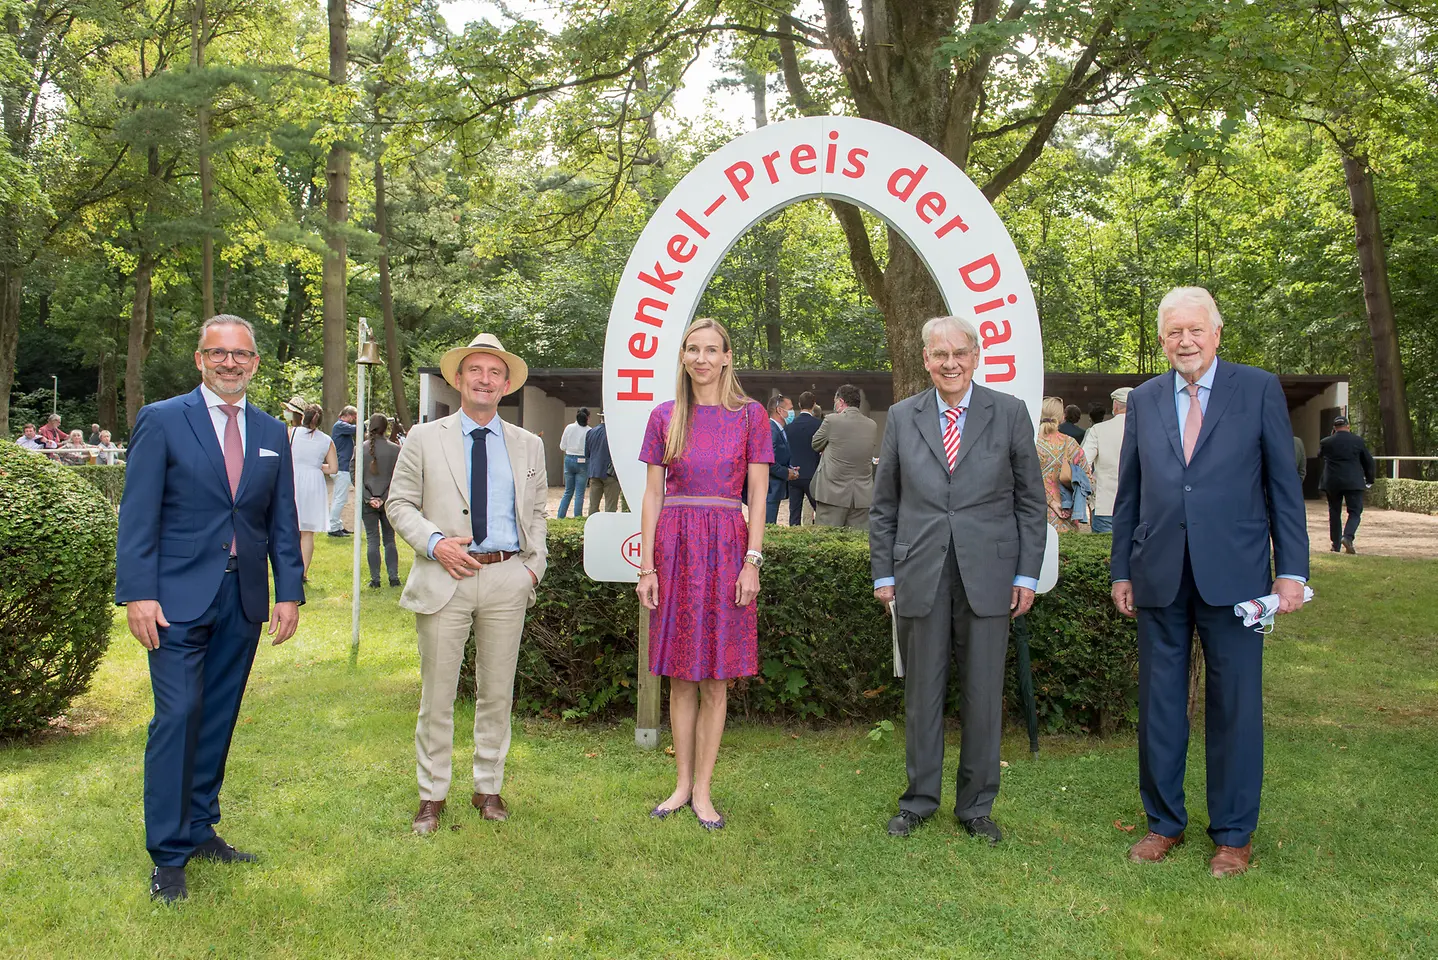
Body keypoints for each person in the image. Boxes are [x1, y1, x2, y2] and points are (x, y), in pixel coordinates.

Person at [1111, 286, 1308, 878]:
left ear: (1216, 334)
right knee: (1161, 705)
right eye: (1173, 332)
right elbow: (1130, 491)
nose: (1185, 341)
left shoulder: (1258, 388)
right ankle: (1163, 822)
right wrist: (1121, 568)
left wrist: (1291, 570)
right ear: (1162, 339)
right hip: (1159, 575)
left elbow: (1282, 487)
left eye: (1195, 330)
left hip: (1240, 578)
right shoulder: (1144, 399)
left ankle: (1233, 833)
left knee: (1236, 707)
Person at [115, 313, 302, 904]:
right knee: (178, 718)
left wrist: (288, 591)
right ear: (200, 359)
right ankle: (168, 855)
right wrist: (138, 593)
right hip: (173, 600)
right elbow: (138, 513)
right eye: (218, 353)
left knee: (217, 716)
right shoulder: (164, 420)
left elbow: (280, 519)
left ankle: (199, 828)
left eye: (240, 354)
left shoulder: (273, 432)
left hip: (241, 598)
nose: (230, 363)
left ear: (254, 363)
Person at [870, 315, 1046, 844]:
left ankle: (976, 808)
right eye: (939, 355)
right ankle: (919, 801)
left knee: (983, 694)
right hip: (919, 571)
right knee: (922, 693)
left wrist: (1026, 575)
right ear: (925, 359)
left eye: (960, 354)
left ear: (976, 356)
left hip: (989, 575)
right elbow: (883, 506)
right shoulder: (903, 416)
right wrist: (884, 573)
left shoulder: (1010, 413)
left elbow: (1030, 503)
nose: (950, 363)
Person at [386, 333, 548, 834]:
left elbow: (538, 514)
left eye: (494, 372)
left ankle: (488, 786)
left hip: (506, 577)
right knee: (437, 694)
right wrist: (435, 543)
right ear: (458, 379)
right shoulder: (423, 437)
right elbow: (399, 504)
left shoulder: (529, 445)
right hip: (444, 576)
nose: (484, 379)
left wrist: (530, 570)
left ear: (506, 384)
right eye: (475, 370)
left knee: (497, 692)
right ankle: (431, 795)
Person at [636, 318, 772, 830]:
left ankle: (705, 792)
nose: (701, 358)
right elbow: (652, 494)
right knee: (680, 676)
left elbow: (758, 495)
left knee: (716, 678)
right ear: (683, 356)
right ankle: (681, 785)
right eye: (693, 349)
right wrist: (647, 564)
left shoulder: (750, 416)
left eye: (711, 350)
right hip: (675, 548)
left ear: (727, 357)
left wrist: (752, 560)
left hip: (726, 545)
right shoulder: (665, 416)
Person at [811, 384, 878, 530]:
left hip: (831, 494)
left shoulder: (831, 420)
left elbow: (815, 444)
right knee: (856, 545)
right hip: (862, 496)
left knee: (826, 542)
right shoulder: (871, 425)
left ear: (841, 402)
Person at [288, 403, 338, 579]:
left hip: (293, 478)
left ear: (303, 417)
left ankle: (289, 568)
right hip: (313, 483)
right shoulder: (326, 440)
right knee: (307, 532)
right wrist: (316, 467)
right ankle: (303, 572)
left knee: (291, 526)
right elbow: (333, 469)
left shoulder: (291, 433)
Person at [355, 413, 402, 587]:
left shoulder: (360, 449)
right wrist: (383, 497)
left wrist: (368, 498)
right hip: (388, 500)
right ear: (385, 428)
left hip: (368, 500)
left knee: (372, 539)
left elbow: (355, 475)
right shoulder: (395, 450)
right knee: (390, 539)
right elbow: (398, 477)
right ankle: (393, 577)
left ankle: (375, 579)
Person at [1318, 415, 1375, 554]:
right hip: (1353, 482)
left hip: (1332, 482)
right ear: (1348, 426)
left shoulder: (1326, 442)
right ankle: (1348, 537)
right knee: (1355, 511)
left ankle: (1335, 544)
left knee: (1334, 511)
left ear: (1334, 428)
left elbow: (1320, 455)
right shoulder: (1358, 441)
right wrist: (1370, 479)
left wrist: (1331, 438)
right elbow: (1368, 461)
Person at [1036, 398, 1092, 532]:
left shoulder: (1030, 442)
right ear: (1062, 417)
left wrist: (1049, 501)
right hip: (1065, 515)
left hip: (1034, 515)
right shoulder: (1071, 443)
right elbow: (1088, 478)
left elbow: (1020, 480)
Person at [1081, 387, 1130, 534]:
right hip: (1139, 506)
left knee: (1104, 554)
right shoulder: (1147, 430)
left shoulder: (1098, 430)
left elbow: (1083, 462)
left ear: (1115, 405)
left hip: (1106, 503)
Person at [784, 390, 822, 525]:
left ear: (799, 404)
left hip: (794, 474)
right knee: (820, 511)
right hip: (813, 474)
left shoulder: (789, 427)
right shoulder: (819, 425)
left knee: (794, 512)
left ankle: (793, 538)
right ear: (814, 405)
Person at [765, 394, 798, 523]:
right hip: (769, 488)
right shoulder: (771, 430)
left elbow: (778, 456)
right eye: (790, 408)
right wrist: (786, 473)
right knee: (768, 526)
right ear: (779, 410)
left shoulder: (779, 430)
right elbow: (768, 460)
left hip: (774, 488)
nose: (792, 412)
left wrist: (790, 468)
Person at [328, 406, 358, 538]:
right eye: (354, 417)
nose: (354, 420)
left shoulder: (340, 427)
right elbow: (357, 429)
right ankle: (333, 527)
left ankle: (337, 525)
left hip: (340, 467)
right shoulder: (340, 425)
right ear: (348, 415)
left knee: (338, 498)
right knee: (340, 499)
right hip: (342, 467)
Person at [585, 411, 622, 513]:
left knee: (593, 506)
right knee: (610, 507)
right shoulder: (615, 433)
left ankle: (593, 527)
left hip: (594, 472)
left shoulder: (591, 432)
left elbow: (587, 453)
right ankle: (609, 528)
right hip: (610, 473)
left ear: (601, 418)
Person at [557, 408, 591, 518]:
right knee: (579, 494)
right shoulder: (589, 431)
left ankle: (560, 517)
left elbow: (562, 446)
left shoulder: (569, 428)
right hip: (583, 460)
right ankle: (577, 517)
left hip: (569, 458)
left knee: (568, 491)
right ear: (588, 418)